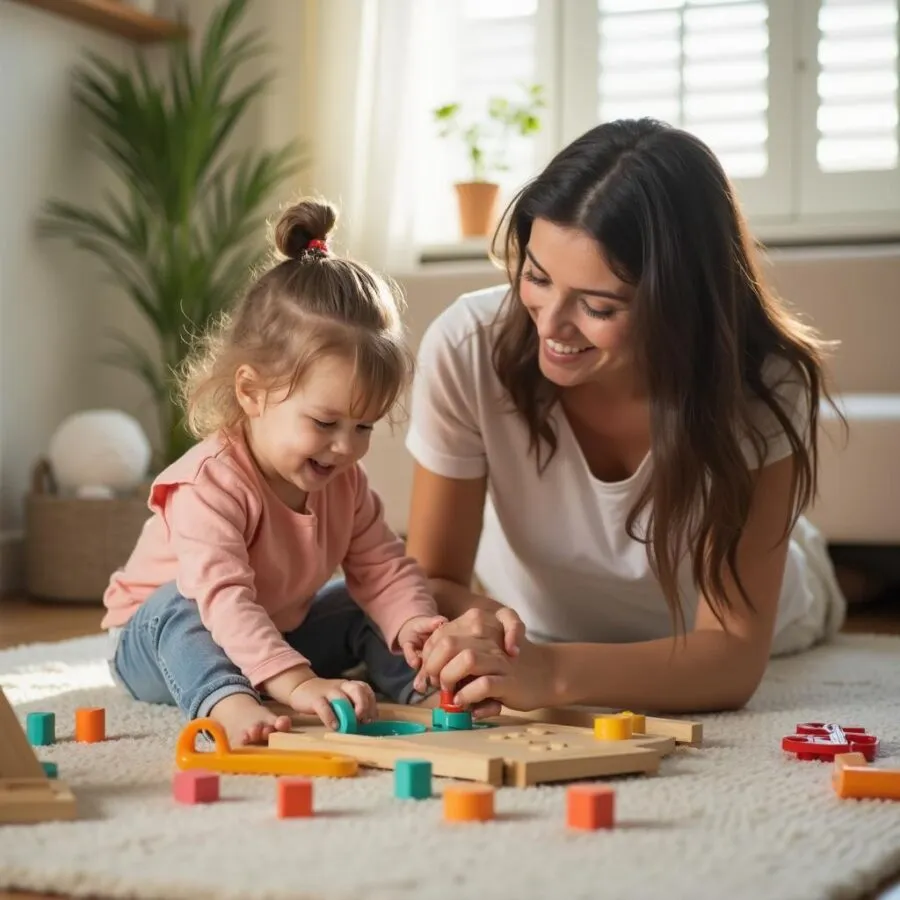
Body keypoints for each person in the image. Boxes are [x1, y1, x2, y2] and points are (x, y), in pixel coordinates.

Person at [406, 118, 847, 718]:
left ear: (679, 305)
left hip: (775, 615)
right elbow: (432, 580)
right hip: (548, 620)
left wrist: (551, 673)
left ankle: (837, 565)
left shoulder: (761, 384)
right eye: (536, 276)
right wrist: (486, 628)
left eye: (597, 305)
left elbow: (731, 657)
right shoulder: (467, 346)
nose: (551, 326)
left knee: (823, 581)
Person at [102, 198, 450, 746]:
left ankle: (422, 687)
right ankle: (228, 700)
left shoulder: (345, 484)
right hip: (159, 641)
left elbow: (382, 567)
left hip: (274, 629)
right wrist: (297, 683)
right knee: (181, 602)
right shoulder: (209, 484)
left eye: (363, 427)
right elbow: (223, 598)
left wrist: (412, 625)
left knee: (365, 602)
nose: (344, 448)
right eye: (325, 421)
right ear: (252, 392)